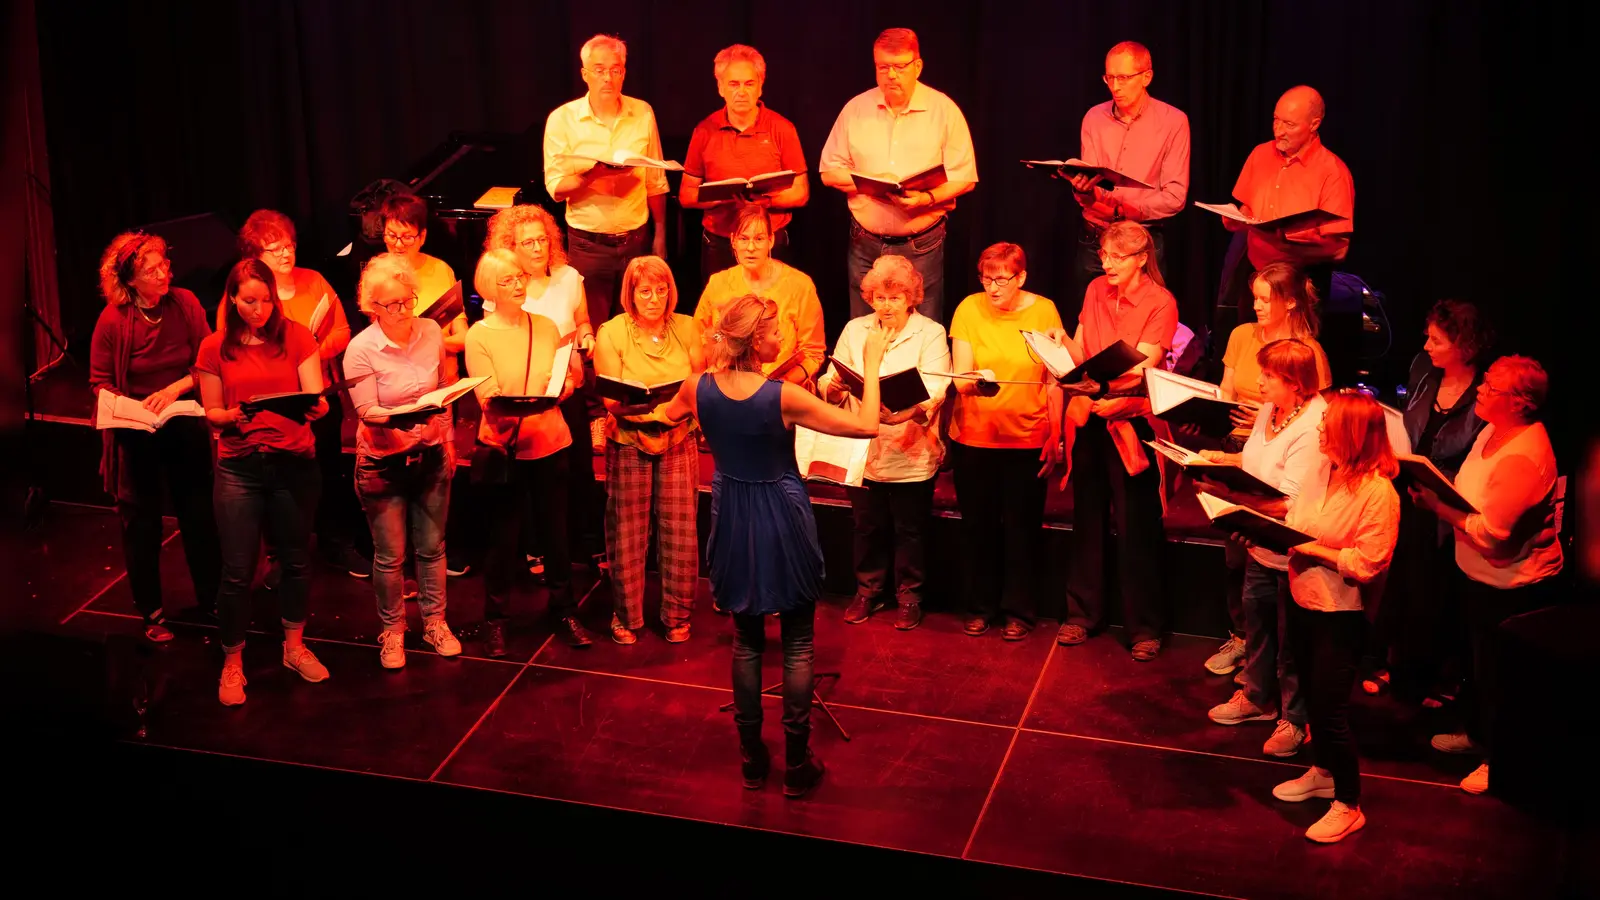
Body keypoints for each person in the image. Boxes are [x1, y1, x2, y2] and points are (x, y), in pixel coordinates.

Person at [661, 294, 889, 798]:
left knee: (746, 640)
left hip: (732, 512)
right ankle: (796, 762)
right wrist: (872, 366)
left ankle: (751, 761)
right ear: (756, 340)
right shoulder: (781, 395)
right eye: (774, 333)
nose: (781, 339)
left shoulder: (696, 387)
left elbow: (663, 416)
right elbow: (867, 425)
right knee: (798, 642)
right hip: (780, 514)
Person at [1412, 356, 1563, 796]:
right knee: (1476, 670)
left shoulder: (1524, 455)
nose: (1479, 390)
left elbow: (1495, 534)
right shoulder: (1492, 430)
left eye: (1490, 387)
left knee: (1502, 681)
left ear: (1518, 403)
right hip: (1477, 576)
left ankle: (1499, 760)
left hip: (1510, 587)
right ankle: (1478, 736)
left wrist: (1439, 508)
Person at [195, 259, 331, 706]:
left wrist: (316, 408)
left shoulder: (296, 336)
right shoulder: (215, 347)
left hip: (293, 462)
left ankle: (294, 647)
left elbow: (314, 395)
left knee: (295, 560)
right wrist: (229, 416)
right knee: (237, 571)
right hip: (240, 466)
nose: (258, 310)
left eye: (266, 300)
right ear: (232, 300)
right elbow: (211, 411)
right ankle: (233, 662)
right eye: (249, 301)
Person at [1271, 389, 1400, 843]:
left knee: (1330, 711)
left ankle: (1348, 803)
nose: (1321, 429)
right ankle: (1323, 771)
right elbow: (1297, 517)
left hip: (1340, 614)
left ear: (1353, 434)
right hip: (1303, 600)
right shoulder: (1325, 468)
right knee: (1309, 694)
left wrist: (1311, 550)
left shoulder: (1378, 492)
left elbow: (1368, 562)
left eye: (1328, 425)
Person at [89, 231, 221, 642]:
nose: (165, 273)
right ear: (130, 280)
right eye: (152, 270)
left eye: (164, 263)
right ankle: (151, 610)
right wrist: (129, 408)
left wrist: (175, 390)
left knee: (199, 512)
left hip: (181, 415)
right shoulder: (113, 319)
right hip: (137, 426)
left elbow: (207, 362)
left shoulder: (185, 303)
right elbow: (100, 383)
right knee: (141, 521)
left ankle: (212, 598)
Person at [1199, 340, 1328, 758]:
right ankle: (1257, 698)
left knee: (1292, 644)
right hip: (1262, 544)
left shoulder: (1313, 424)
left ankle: (1295, 720)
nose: (1258, 382)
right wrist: (1219, 461)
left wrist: (1233, 500)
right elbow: (1254, 463)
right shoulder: (1271, 411)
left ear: (1293, 381)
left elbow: (1289, 500)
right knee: (1258, 626)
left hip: (1294, 550)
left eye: (1268, 376)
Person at [1204, 262, 1333, 677]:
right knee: (1235, 555)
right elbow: (1224, 393)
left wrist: (1268, 416)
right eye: (1254, 297)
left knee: (1268, 558)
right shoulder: (1242, 335)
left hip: (1286, 456)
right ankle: (1242, 640)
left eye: (1265, 299)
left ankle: (1275, 662)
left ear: (1290, 301)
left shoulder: (1306, 351)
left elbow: (1319, 413)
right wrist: (1211, 418)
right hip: (1240, 444)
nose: (1256, 306)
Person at [1057, 221, 1178, 660]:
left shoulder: (1160, 301)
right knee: (1087, 517)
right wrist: (1057, 348)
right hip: (1091, 412)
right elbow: (1083, 345)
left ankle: (1144, 626)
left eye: (1117, 257)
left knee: (1136, 525)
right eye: (1104, 255)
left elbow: (1146, 362)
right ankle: (1083, 613)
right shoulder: (1094, 290)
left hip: (1130, 418)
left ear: (1141, 259)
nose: (1106, 263)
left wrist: (1104, 390)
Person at [464, 249, 593, 655]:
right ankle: (496, 618)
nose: (518, 284)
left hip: (551, 443)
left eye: (520, 277)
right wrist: (507, 400)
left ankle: (564, 608)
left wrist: (566, 386)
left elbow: (566, 378)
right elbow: (486, 394)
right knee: (504, 538)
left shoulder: (546, 326)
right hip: (506, 448)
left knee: (556, 534)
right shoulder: (479, 335)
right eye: (508, 280)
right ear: (490, 288)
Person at [1363, 300, 1492, 700]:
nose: (1427, 344)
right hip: (1411, 489)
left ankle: (1428, 675)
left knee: (1435, 589)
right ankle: (1390, 661)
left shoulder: (1485, 393)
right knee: (1402, 579)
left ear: (1464, 347)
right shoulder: (1423, 370)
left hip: (1452, 501)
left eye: (1437, 339)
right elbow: (1409, 423)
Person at [231, 209, 369, 579]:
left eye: (288, 245)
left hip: (319, 396)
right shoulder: (249, 294)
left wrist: (311, 351)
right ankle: (280, 554)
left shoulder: (314, 281)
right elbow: (234, 347)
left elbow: (341, 330)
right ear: (254, 257)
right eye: (274, 250)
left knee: (325, 472)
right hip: (274, 403)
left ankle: (333, 543)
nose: (285, 254)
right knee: (280, 480)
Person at [342, 253, 462, 669]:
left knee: (432, 548)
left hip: (430, 457)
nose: (402, 311)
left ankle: (436, 622)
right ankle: (392, 631)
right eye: (391, 305)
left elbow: (443, 388)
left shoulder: (430, 331)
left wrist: (446, 438)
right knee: (390, 555)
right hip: (384, 464)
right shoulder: (361, 349)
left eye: (407, 300)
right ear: (372, 308)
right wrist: (403, 418)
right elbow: (367, 412)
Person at [819, 255, 951, 631]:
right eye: (879, 297)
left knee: (910, 527)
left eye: (895, 298)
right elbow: (829, 379)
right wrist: (834, 386)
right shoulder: (855, 329)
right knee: (867, 524)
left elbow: (938, 386)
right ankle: (868, 590)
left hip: (910, 446)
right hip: (865, 446)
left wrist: (906, 412)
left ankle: (909, 595)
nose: (886, 305)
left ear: (911, 298)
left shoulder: (930, 332)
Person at [819, 27, 978, 324]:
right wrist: (870, 184)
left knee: (921, 327)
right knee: (864, 327)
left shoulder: (943, 110)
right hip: (865, 242)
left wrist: (926, 198)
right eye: (883, 67)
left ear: (917, 66)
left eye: (900, 67)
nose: (891, 75)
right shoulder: (856, 109)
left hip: (921, 244)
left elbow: (965, 176)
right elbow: (829, 171)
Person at [947, 243, 1064, 640]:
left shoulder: (1044, 310)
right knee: (978, 528)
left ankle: (1019, 611)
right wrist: (976, 384)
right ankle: (980, 607)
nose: (993, 288)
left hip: (1027, 438)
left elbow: (1054, 378)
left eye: (1001, 279)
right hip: (975, 438)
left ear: (1021, 277)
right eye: (986, 278)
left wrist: (1056, 433)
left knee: (1021, 529)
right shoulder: (968, 308)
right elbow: (959, 377)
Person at [486, 203, 604, 572]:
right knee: (538, 473)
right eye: (528, 243)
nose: (538, 249)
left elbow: (582, 320)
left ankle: (583, 545)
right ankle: (537, 547)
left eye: (542, 240)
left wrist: (587, 337)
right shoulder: (505, 289)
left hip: (571, 383)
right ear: (512, 247)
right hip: (532, 393)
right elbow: (499, 344)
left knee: (579, 468)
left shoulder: (569, 277)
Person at [594, 256, 704, 644]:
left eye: (662, 290)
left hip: (677, 435)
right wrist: (643, 407)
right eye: (645, 292)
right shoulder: (611, 332)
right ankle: (627, 616)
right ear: (631, 295)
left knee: (679, 528)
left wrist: (672, 410)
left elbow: (699, 380)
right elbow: (610, 397)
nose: (654, 299)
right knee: (627, 530)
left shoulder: (689, 327)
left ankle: (676, 614)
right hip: (628, 437)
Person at [543, 33, 670, 331]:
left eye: (615, 70)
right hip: (589, 244)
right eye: (599, 70)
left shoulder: (642, 112)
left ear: (624, 73)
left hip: (636, 238)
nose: (607, 78)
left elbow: (655, 179)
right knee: (592, 327)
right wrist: (593, 176)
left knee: (639, 324)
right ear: (585, 74)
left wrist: (660, 233)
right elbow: (556, 189)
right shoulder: (563, 119)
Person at [1060, 40, 1190, 325]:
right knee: (1090, 325)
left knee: (1141, 326)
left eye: (1123, 78)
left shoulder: (1173, 122)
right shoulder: (1094, 118)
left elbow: (1175, 197)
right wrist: (1081, 188)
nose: (1115, 87)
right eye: (1109, 78)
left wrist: (1123, 208)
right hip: (1095, 238)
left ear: (1147, 77)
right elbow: (1092, 191)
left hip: (1141, 241)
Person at [1215, 86, 1354, 351]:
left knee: (1290, 357)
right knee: (1250, 349)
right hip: (1255, 274)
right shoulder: (1260, 154)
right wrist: (1236, 218)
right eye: (1276, 120)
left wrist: (1287, 242)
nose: (1278, 130)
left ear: (1314, 124)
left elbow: (1339, 250)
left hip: (1300, 284)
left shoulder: (1332, 172)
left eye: (1289, 124)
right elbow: (1246, 208)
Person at [679, 44, 810, 285]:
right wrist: (723, 195)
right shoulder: (704, 130)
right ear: (720, 87)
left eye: (749, 84)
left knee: (772, 314)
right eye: (733, 84)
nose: (741, 92)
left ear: (760, 86)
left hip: (769, 240)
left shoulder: (782, 128)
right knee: (721, 316)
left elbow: (801, 192)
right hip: (720, 242)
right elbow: (686, 195)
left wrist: (765, 201)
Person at [694, 206, 825, 387]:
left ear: (771, 240)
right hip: (728, 388)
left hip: (781, 390)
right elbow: (698, 341)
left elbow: (813, 354)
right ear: (733, 240)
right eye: (743, 239)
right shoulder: (718, 283)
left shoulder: (800, 286)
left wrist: (776, 388)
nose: (750, 247)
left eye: (759, 239)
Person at [379, 193, 467, 382]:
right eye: (392, 236)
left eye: (407, 237)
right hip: (397, 380)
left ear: (422, 236)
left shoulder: (442, 270)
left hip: (442, 377)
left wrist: (429, 344)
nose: (398, 245)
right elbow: (378, 341)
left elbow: (462, 337)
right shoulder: (377, 274)